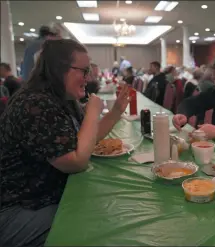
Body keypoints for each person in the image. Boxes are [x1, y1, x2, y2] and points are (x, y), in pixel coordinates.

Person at [0, 39, 131, 247]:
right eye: (84, 70)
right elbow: (76, 161)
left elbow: (85, 143)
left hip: (45, 196)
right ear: (59, 69)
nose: (89, 77)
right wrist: (92, 112)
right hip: (20, 208)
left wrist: (115, 112)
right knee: (101, 222)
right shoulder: (34, 103)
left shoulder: (60, 98)